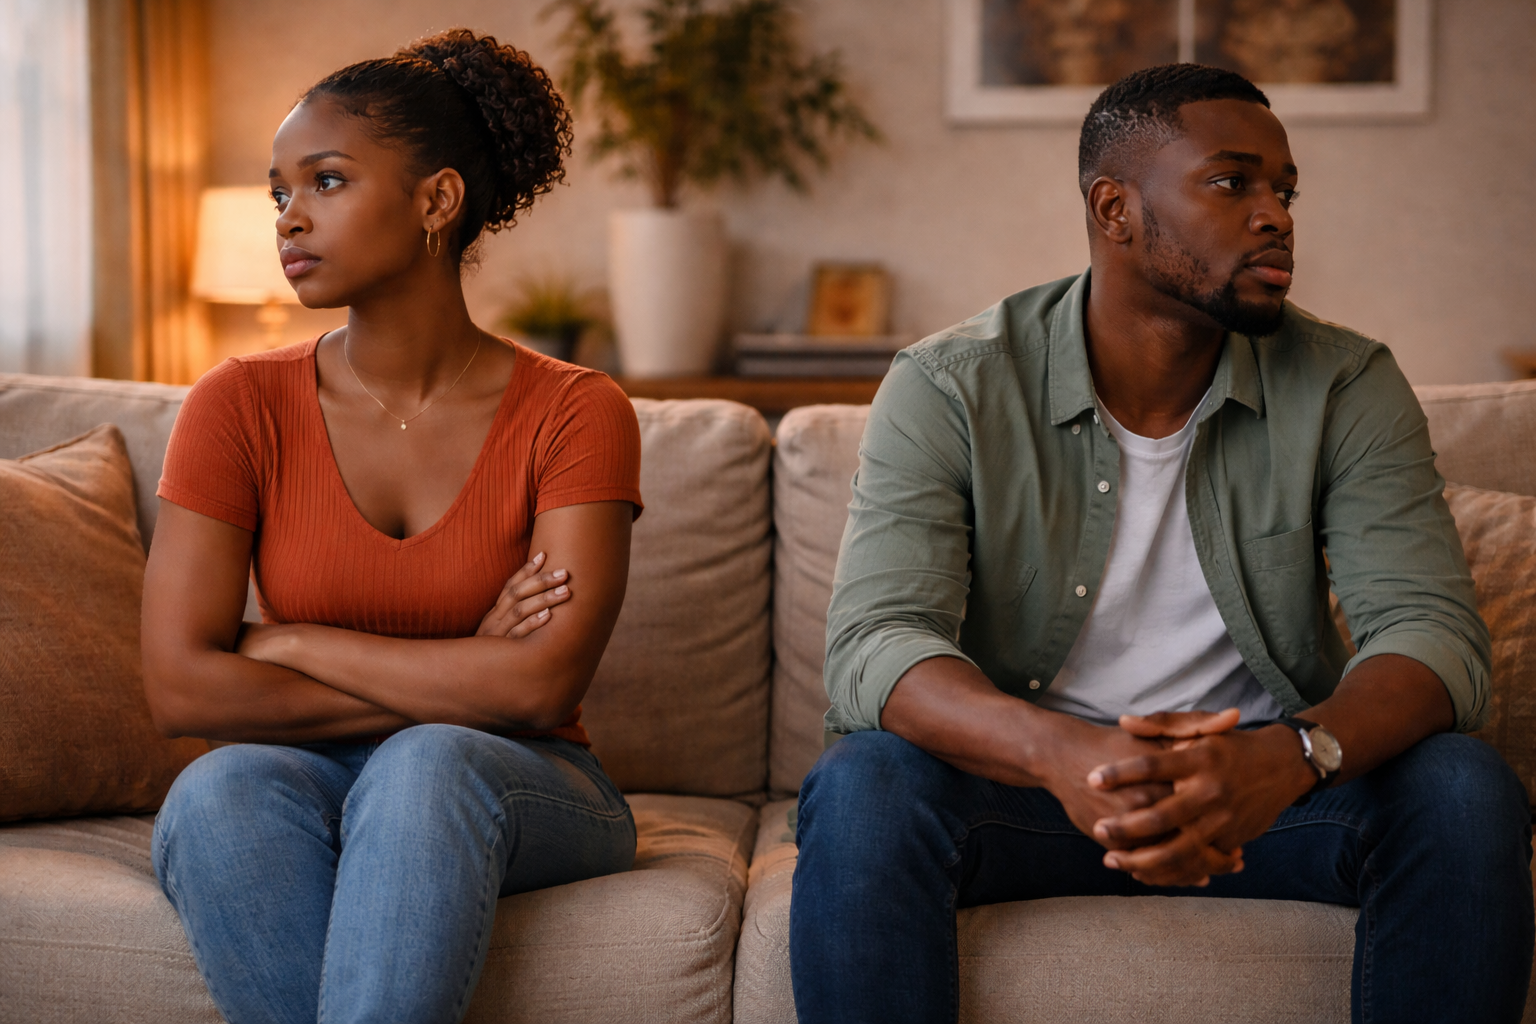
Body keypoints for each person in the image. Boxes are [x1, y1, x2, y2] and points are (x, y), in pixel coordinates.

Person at [790, 63, 1533, 1024]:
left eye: (1285, 190)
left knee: (1463, 788)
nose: (1276, 216)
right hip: (1026, 793)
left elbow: (1432, 635)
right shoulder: (952, 385)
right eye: (1231, 182)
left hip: (1263, 795)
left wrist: (1293, 756)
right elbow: (877, 642)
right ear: (1116, 210)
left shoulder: (1346, 384)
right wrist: (1062, 753)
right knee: (864, 786)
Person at [141, 30, 641, 1024]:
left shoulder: (577, 411)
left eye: (326, 180)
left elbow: (538, 685)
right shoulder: (234, 404)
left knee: (427, 764)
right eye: (279, 193)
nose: (289, 217)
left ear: (436, 201)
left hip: (531, 778)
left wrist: (289, 643)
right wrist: (464, 672)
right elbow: (180, 686)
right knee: (216, 789)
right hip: (307, 773)